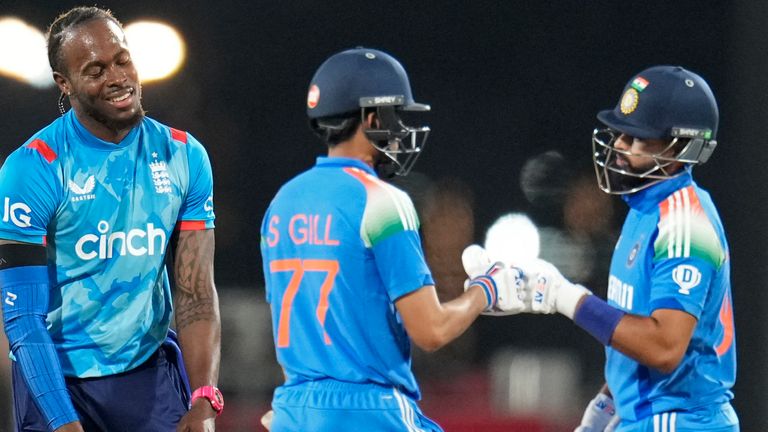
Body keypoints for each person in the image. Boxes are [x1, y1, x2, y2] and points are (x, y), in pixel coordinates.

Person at [259, 47, 521, 431]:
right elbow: (431, 330)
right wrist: (487, 290)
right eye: (396, 116)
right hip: (369, 411)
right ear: (371, 117)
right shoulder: (382, 200)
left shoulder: (282, 201)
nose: (400, 131)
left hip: (293, 411)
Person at [0, 6, 222, 431]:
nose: (118, 78)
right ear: (64, 84)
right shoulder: (33, 168)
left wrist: (204, 397)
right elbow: (23, 318)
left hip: (146, 374)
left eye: (122, 60)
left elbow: (195, 291)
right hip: (56, 379)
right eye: (95, 70)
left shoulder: (183, 155)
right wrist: (64, 422)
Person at [518, 66, 738, 431]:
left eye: (638, 139)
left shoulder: (684, 223)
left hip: (677, 420)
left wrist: (568, 298)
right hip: (648, 416)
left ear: (682, 148)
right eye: (622, 132)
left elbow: (664, 348)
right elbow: (634, 331)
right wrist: (606, 403)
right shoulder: (645, 209)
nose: (619, 144)